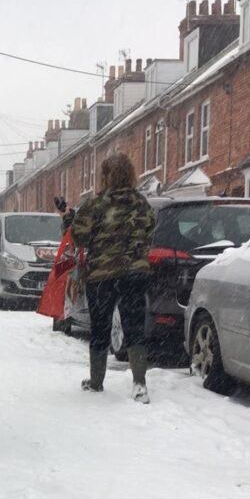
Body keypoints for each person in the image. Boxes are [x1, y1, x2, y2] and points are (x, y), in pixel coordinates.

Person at [58, 153, 156, 403]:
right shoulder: (141, 203)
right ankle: (139, 384)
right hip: (135, 273)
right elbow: (149, 232)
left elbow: (79, 238)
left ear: (105, 176)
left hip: (102, 275)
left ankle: (97, 381)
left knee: (100, 327)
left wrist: (69, 221)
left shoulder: (97, 204)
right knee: (134, 326)